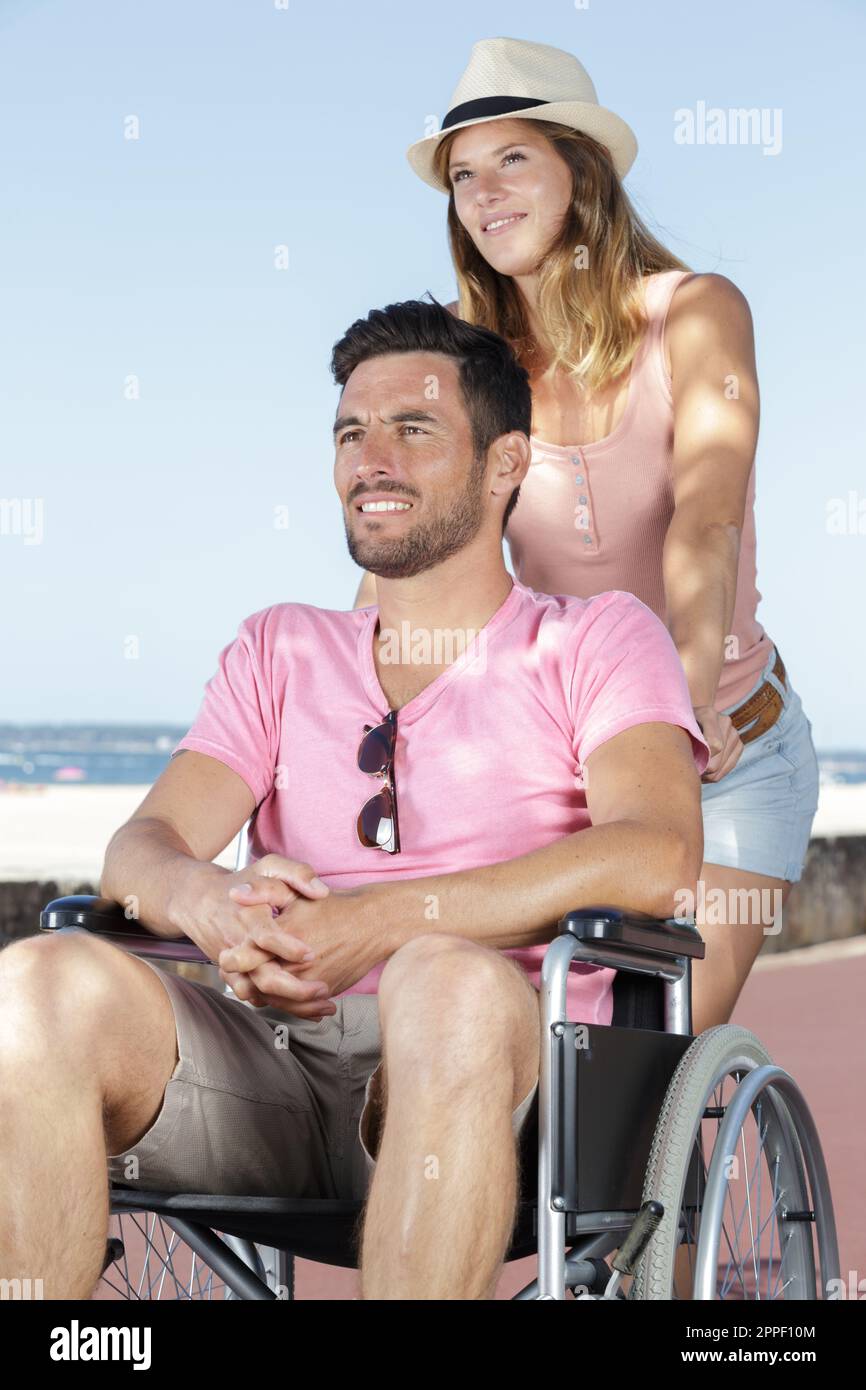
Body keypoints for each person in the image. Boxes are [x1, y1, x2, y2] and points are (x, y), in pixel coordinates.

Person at [0, 300, 709, 1301]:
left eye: (411, 428)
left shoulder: (593, 639)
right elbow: (143, 845)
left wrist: (375, 923)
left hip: (498, 1067)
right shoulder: (280, 647)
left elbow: (653, 854)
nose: (368, 458)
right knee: (33, 984)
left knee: (442, 983)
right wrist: (206, 900)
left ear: (505, 462)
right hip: (267, 1070)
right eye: (349, 432)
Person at [354, 37, 820, 1035]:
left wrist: (684, 703)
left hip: (726, 751)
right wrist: (347, 714)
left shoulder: (692, 314)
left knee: (641, 1071)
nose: (483, 192)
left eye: (511, 158)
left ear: (581, 169)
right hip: (548, 755)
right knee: (493, 1059)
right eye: (463, 176)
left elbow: (705, 519)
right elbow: (411, 557)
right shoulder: (454, 354)